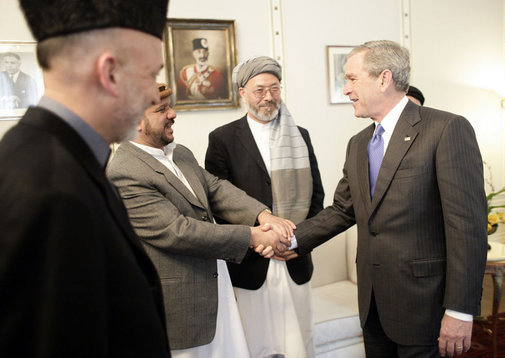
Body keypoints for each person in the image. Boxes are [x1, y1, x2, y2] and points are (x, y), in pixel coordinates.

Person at [292, 40, 488, 358]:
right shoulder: (359, 143)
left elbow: (467, 228)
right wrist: (290, 240)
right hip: (373, 306)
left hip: (424, 306)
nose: (346, 90)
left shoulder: (446, 129)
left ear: (384, 79)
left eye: (352, 79)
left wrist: (461, 311)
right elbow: (344, 210)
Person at [0, 1, 171, 357]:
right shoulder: (53, 192)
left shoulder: (55, 156)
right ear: (110, 73)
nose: (155, 94)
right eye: (150, 74)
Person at [107, 82, 294, 357]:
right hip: (182, 303)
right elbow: (177, 231)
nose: (173, 114)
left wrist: (263, 215)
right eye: (162, 110)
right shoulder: (124, 171)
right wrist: (254, 236)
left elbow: (216, 188)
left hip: (217, 288)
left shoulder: (179, 153)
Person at [205, 56, 325, 358]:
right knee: (255, 343)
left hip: (294, 256)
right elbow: (218, 202)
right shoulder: (222, 139)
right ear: (242, 92)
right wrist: (259, 239)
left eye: (275, 88)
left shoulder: (301, 135)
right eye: (260, 90)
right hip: (251, 260)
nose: (269, 97)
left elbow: (316, 197)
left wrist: (299, 240)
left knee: (299, 342)